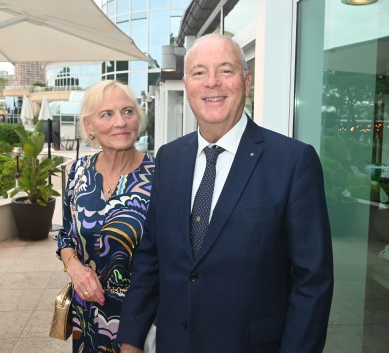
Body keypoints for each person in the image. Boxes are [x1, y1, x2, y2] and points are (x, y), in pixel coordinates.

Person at [118, 34, 334, 353]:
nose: (212, 82)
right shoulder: (168, 158)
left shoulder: (293, 162)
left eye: (226, 70)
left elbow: (312, 281)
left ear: (246, 81)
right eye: (199, 72)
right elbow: (151, 254)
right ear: (187, 84)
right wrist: (131, 337)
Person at [57, 80, 155, 352]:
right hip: (86, 316)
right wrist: (74, 268)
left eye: (127, 111)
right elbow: (65, 236)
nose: (120, 122)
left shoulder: (160, 175)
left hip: (141, 321)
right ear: (89, 125)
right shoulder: (78, 171)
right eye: (107, 114)